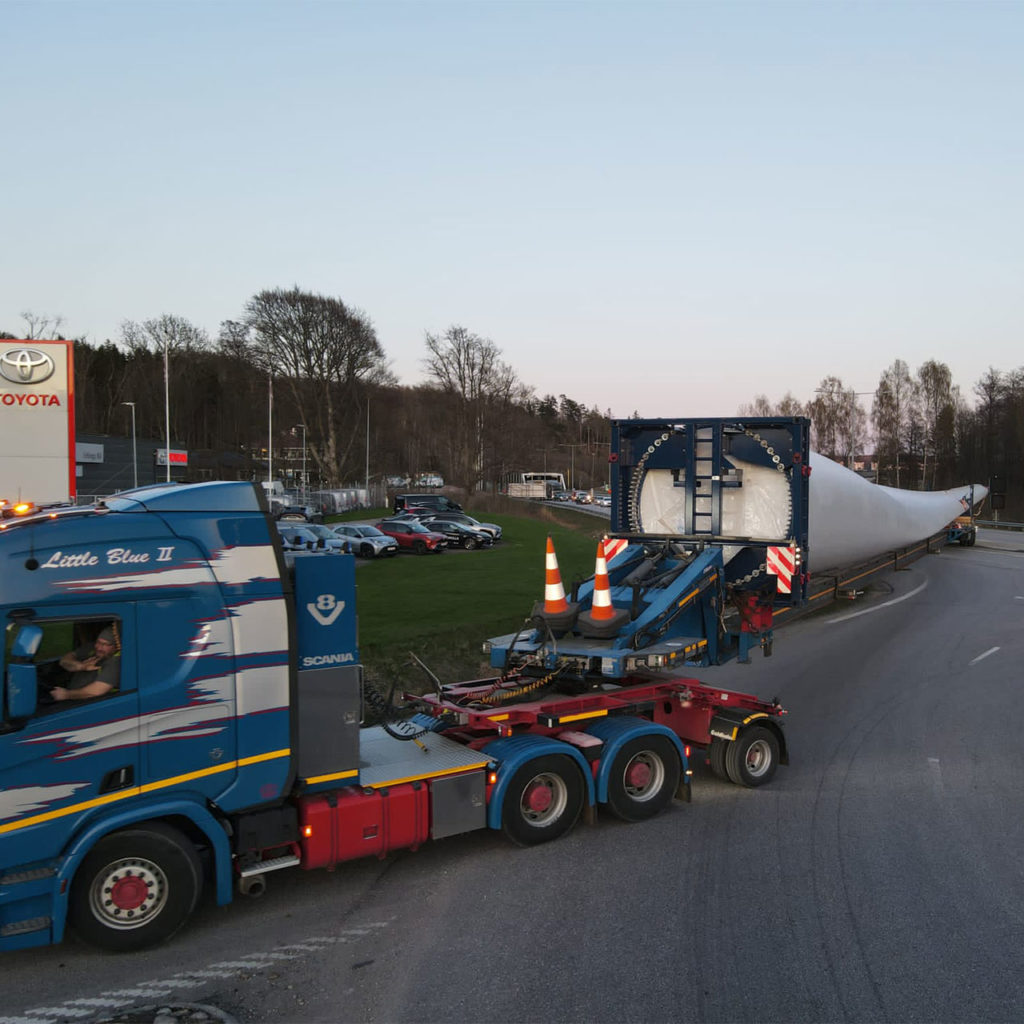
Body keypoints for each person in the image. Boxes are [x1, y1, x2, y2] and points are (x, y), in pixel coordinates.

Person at [50, 625, 120, 702]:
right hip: (73, 697)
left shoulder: (115, 662)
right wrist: (81, 666)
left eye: (105, 644)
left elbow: (97, 691)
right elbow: (64, 661)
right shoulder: (91, 648)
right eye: (98, 642)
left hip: (87, 704)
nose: (99, 647)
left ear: (116, 647)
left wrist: (67, 694)